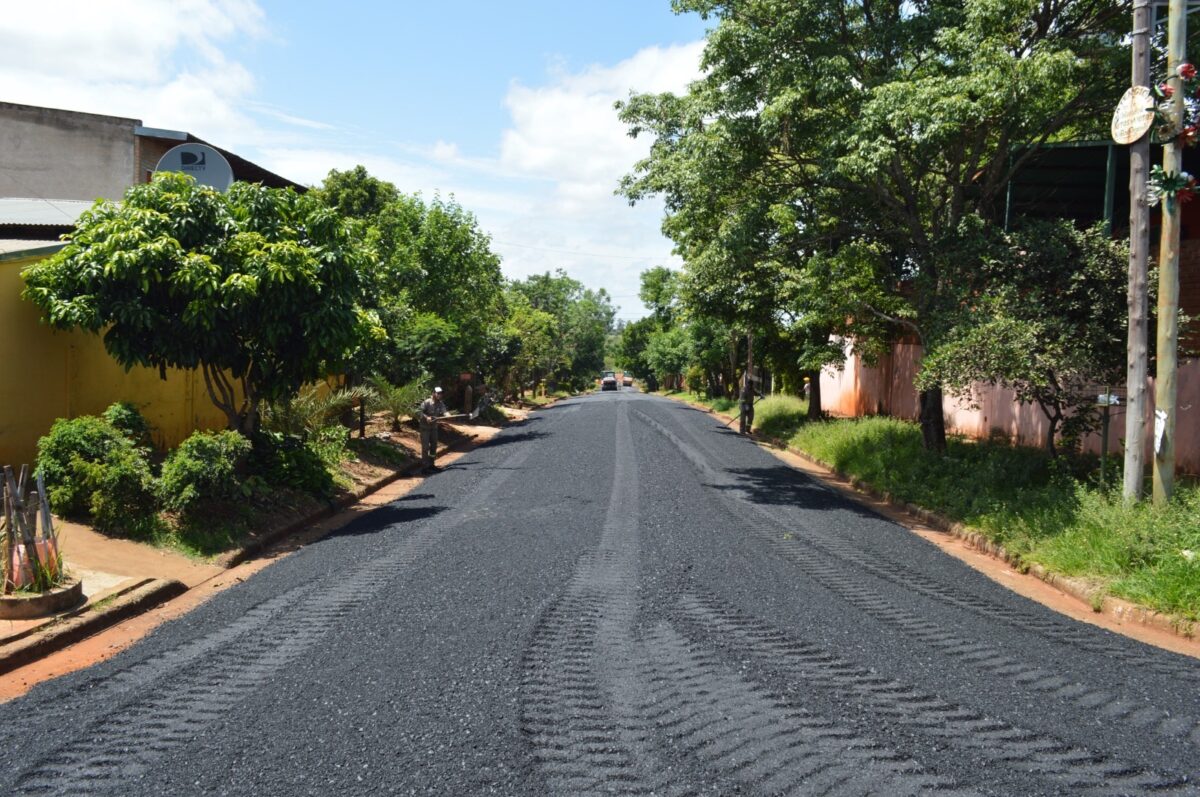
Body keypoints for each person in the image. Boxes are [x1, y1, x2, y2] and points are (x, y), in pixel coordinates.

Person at [418, 386, 447, 472]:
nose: (439, 395)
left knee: (434, 447)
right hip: (425, 428)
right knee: (425, 447)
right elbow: (419, 412)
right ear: (433, 393)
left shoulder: (440, 403)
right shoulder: (427, 402)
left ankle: (431, 464)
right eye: (438, 393)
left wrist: (447, 414)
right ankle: (424, 467)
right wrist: (426, 417)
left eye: (441, 393)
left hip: (434, 428)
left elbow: (444, 411)